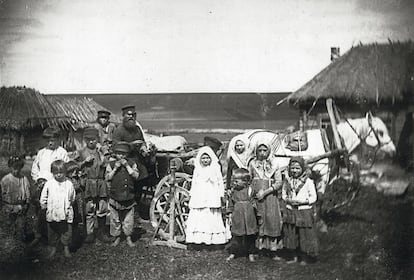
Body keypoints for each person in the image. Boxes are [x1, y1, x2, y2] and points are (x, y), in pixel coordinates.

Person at [30, 127, 69, 246]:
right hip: (42, 185)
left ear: (58, 140)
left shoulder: (62, 152)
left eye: (53, 140)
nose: (51, 143)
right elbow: (34, 168)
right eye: (48, 141)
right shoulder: (41, 153)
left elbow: (66, 169)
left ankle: (57, 236)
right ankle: (39, 234)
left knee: (55, 210)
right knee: (41, 210)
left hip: (57, 186)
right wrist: (38, 179)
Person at [75, 127, 111, 243]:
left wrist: (102, 152)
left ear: (97, 139)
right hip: (88, 184)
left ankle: (101, 232)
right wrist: (84, 162)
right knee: (89, 209)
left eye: (94, 139)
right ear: (85, 140)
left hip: (101, 183)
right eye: (89, 139)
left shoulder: (101, 151)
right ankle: (90, 233)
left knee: (102, 207)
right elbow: (73, 166)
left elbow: (106, 164)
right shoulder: (81, 152)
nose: (91, 142)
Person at [185, 146, 226, 246]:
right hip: (200, 195)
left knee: (210, 215)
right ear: (199, 159)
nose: (205, 160)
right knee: (199, 216)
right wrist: (192, 194)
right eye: (203, 158)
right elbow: (194, 182)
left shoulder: (215, 168)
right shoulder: (198, 169)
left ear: (211, 158)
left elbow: (220, 181)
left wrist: (221, 194)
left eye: (207, 158)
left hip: (212, 195)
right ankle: (198, 239)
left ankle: (213, 240)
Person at [248, 141, 283, 258]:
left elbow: (278, 182)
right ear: (256, 151)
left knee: (271, 219)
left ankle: (272, 249)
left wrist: (266, 192)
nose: (262, 153)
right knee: (259, 219)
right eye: (260, 150)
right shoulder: (253, 164)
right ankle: (259, 248)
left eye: (265, 150)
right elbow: (249, 179)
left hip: (270, 196)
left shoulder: (275, 164)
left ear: (269, 151)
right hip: (257, 196)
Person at [282, 156, 318, 265]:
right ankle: (293, 256)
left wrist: (303, 202)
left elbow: (313, 197)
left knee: (304, 234)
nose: (294, 171)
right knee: (292, 233)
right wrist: (288, 200)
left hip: (303, 211)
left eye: (297, 168)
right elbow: (284, 193)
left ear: (303, 168)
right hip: (291, 210)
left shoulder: (308, 182)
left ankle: (304, 256)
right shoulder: (288, 180)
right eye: (292, 168)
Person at [105, 142, 140, 247]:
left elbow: (136, 176)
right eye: (119, 154)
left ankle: (128, 237)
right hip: (115, 195)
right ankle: (117, 237)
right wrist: (115, 168)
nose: (121, 156)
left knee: (128, 219)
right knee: (115, 219)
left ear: (127, 154)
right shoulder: (111, 164)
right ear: (115, 154)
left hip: (128, 195)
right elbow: (107, 177)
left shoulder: (132, 163)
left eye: (123, 154)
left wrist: (126, 166)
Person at [40, 160, 76, 258]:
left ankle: (66, 248)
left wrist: (68, 205)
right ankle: (53, 248)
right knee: (52, 230)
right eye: (56, 173)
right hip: (53, 211)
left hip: (65, 211)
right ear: (52, 173)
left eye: (61, 173)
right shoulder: (49, 184)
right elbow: (44, 196)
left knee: (66, 231)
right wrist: (43, 204)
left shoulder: (69, 184)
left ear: (65, 172)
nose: (58, 175)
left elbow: (72, 197)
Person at [226, 168, 258, 262]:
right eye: (234, 181)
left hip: (249, 216)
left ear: (245, 181)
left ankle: (250, 253)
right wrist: (230, 214)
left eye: (237, 181)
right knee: (236, 236)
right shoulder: (233, 191)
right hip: (238, 216)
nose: (234, 183)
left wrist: (256, 211)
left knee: (250, 236)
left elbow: (255, 201)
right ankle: (233, 252)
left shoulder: (250, 191)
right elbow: (231, 204)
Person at [0, 155, 31, 241]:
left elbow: (27, 193)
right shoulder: (5, 180)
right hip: (9, 206)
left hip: (21, 205)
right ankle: (9, 240)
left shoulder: (24, 179)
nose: (16, 171)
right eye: (14, 168)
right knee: (9, 224)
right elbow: (3, 195)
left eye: (18, 168)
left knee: (21, 224)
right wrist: (7, 205)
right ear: (10, 167)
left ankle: (20, 240)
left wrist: (27, 202)